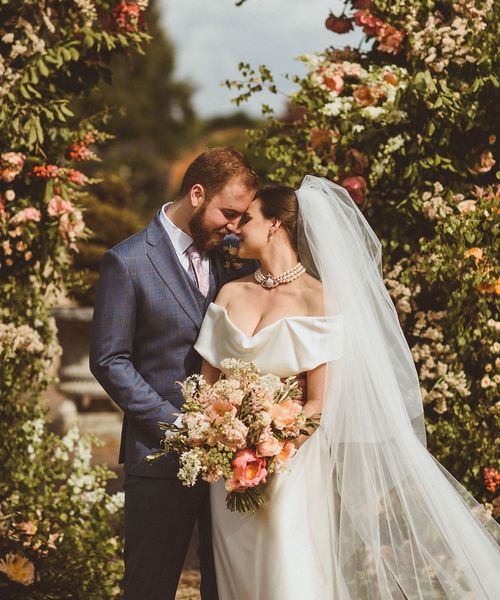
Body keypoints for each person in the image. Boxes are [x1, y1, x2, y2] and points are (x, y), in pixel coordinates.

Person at [194, 176, 500, 600]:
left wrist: (268, 453)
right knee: (237, 578)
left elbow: (318, 403)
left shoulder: (319, 301)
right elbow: (205, 387)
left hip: (288, 468)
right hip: (227, 471)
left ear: (275, 225)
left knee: (288, 573)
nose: (235, 228)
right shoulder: (229, 293)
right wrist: (218, 444)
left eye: (246, 218)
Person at [89, 146, 258, 600]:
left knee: (226, 585)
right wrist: (177, 424)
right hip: (160, 455)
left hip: (230, 462)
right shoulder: (127, 261)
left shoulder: (232, 257)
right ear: (197, 194)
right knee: (150, 585)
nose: (234, 226)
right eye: (229, 213)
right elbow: (109, 360)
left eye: (242, 218)